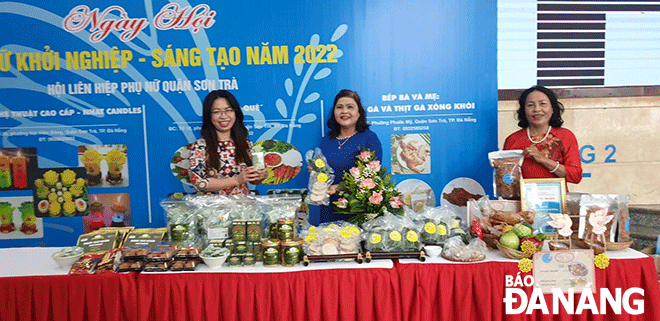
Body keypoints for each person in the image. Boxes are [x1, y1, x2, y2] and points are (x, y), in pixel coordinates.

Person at [317, 89, 383, 223]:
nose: (344, 111)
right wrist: (316, 171)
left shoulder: (369, 138)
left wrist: (340, 187)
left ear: (359, 113)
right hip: (329, 208)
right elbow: (324, 171)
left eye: (350, 107)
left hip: (357, 209)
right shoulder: (327, 140)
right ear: (334, 112)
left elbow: (372, 177)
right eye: (339, 107)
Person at [188, 90, 267, 194]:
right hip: (214, 208)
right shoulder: (200, 146)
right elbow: (199, 183)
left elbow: (253, 179)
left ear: (236, 113)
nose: (224, 116)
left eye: (228, 110)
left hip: (243, 207)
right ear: (209, 116)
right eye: (216, 112)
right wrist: (236, 180)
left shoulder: (246, 144)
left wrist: (261, 176)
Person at [504, 85, 582, 184]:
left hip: (555, 199)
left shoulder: (565, 136)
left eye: (543, 104)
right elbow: (506, 183)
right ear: (523, 111)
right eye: (530, 105)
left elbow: (576, 176)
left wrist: (542, 159)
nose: (537, 109)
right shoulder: (512, 140)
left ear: (553, 109)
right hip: (523, 199)